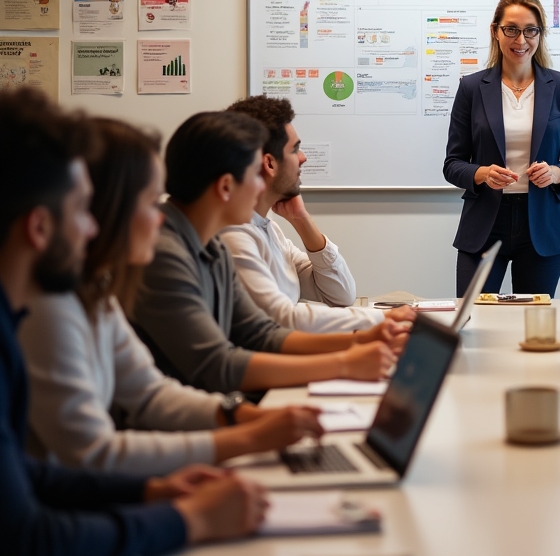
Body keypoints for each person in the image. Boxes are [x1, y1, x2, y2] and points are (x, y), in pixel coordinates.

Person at [0, 90, 266, 556]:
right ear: (39, 226)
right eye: (82, 210)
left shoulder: (74, 299)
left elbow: (33, 474)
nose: (92, 226)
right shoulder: (40, 315)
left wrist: (152, 490)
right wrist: (191, 518)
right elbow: (31, 542)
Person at [21, 117, 327, 474]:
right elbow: (93, 455)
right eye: (151, 202)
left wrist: (246, 417)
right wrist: (249, 436)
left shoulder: (96, 293)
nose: (159, 217)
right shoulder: (50, 309)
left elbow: (151, 392)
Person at [131, 111, 403, 395]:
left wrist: (362, 340)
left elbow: (261, 333)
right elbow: (216, 366)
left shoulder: (211, 245)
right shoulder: (164, 253)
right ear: (226, 186)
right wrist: (345, 362)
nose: (261, 186)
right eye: (254, 176)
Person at [221, 95, 413, 333]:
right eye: (295, 149)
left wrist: (301, 219)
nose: (303, 158)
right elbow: (281, 318)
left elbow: (340, 295)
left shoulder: (268, 228)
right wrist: (380, 320)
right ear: (270, 164)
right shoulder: (233, 235)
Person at [444, 0, 560, 297]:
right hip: (485, 223)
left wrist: (556, 173)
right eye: (511, 29)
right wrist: (482, 174)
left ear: (540, 34)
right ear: (495, 32)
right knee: (473, 321)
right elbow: (452, 164)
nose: (520, 40)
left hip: (543, 225)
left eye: (530, 30)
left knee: (532, 324)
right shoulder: (472, 88)